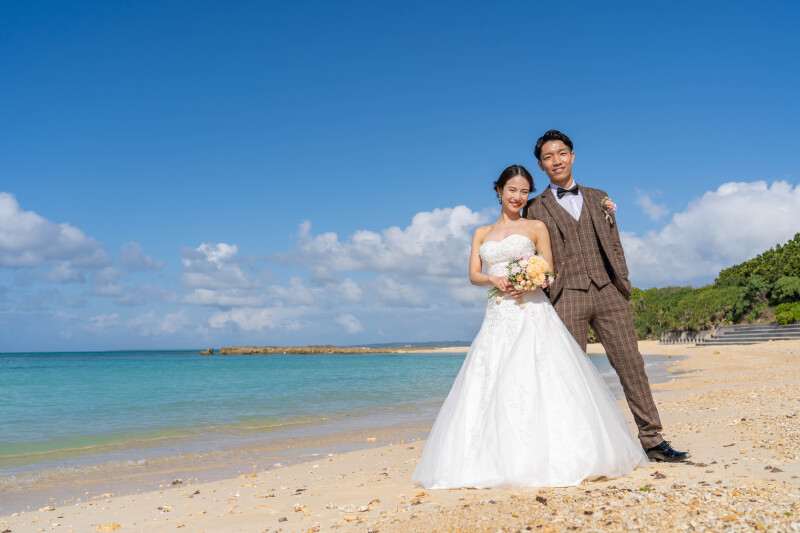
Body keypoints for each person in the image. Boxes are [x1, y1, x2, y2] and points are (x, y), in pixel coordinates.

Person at [412, 165, 650, 489]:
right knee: (491, 380)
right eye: (512, 190)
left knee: (544, 378)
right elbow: (473, 274)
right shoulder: (481, 233)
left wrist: (530, 281)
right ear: (499, 191)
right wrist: (494, 278)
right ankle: (494, 459)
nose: (518, 197)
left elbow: (549, 268)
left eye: (524, 191)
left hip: (534, 310)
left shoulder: (536, 226)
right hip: (498, 313)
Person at [522, 129, 689, 462]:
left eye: (562, 153)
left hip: (609, 291)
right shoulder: (534, 207)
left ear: (572, 156)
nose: (556, 160)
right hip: (565, 296)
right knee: (569, 374)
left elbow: (614, 243)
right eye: (548, 157)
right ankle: (573, 445)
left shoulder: (600, 196)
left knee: (632, 366)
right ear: (540, 165)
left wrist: (622, 281)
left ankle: (653, 440)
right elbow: (532, 254)